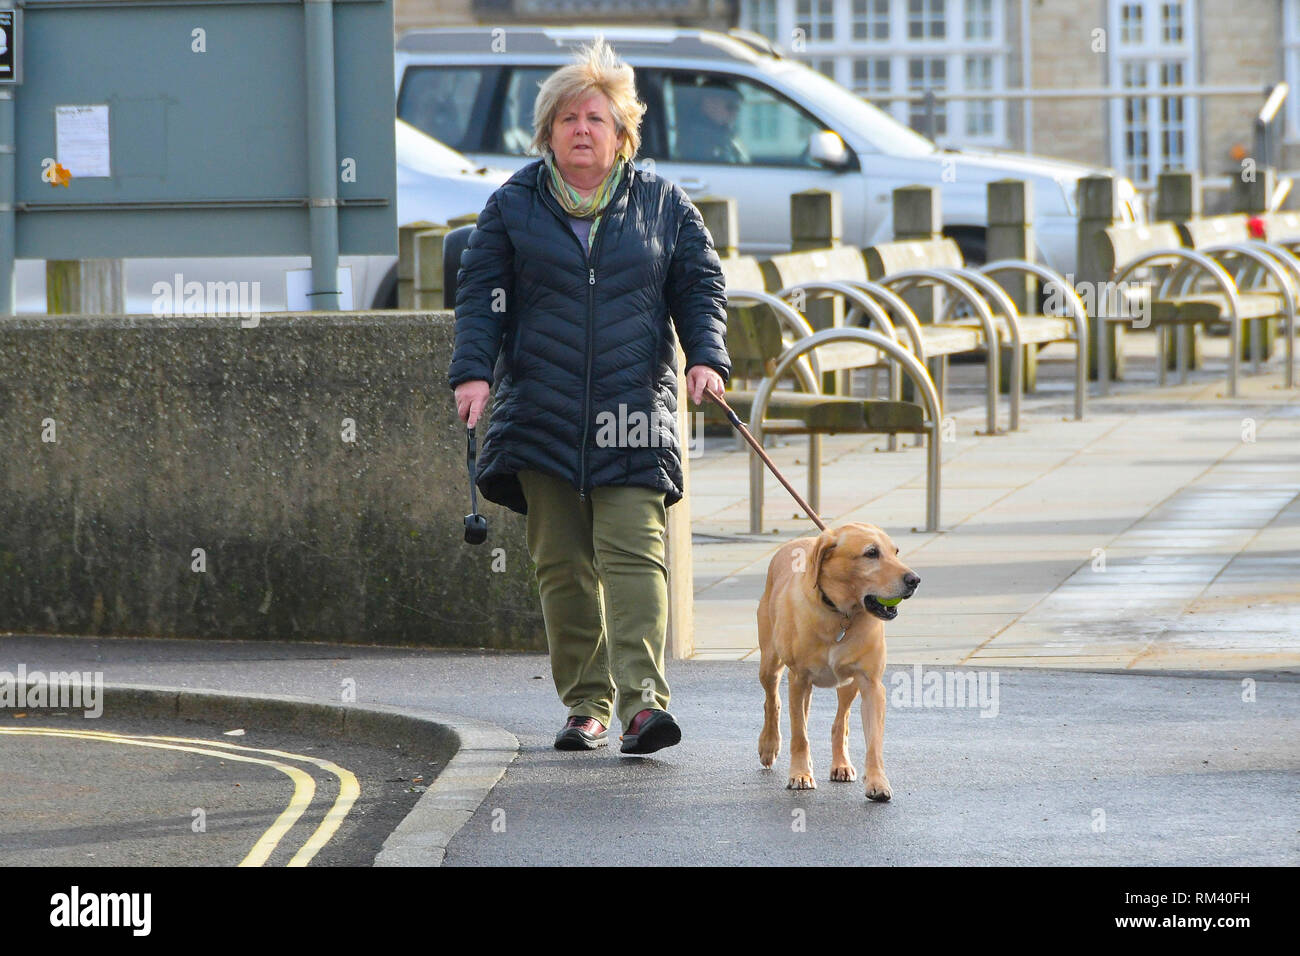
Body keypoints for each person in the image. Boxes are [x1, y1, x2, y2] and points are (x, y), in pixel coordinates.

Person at [448, 37, 731, 756]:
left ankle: (642, 706)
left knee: (635, 555)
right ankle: (586, 705)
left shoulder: (662, 204)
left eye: (596, 119)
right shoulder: (513, 205)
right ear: (547, 132)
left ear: (622, 134)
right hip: (540, 408)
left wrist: (706, 358)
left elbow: (699, 286)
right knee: (563, 566)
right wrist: (473, 372)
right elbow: (481, 295)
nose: (582, 129)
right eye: (568, 118)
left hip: (633, 406)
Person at [674, 78, 749, 164]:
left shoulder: (723, 134)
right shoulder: (699, 140)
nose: (735, 113)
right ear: (709, 102)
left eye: (737, 108)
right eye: (730, 107)